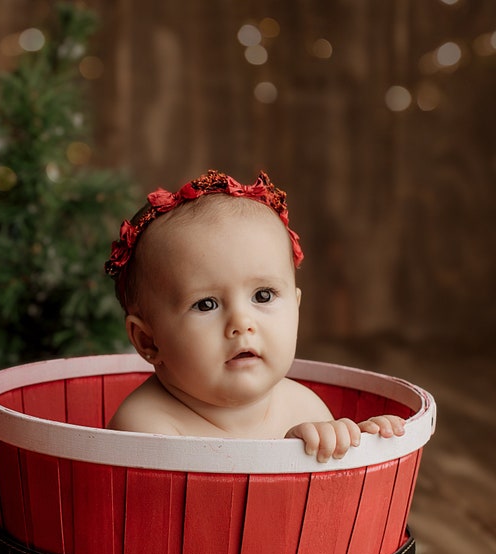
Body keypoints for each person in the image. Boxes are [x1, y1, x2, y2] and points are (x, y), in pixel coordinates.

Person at [104, 169, 404, 459]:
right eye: (206, 304)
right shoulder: (146, 429)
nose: (242, 324)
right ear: (148, 341)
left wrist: (355, 443)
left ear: (296, 310)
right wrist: (282, 463)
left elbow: (332, 505)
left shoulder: (303, 405)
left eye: (263, 296)